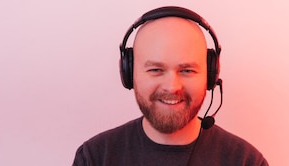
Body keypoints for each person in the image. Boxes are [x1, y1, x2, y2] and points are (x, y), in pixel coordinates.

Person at [73, 6, 268, 166]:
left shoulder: (246, 161)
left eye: (187, 71)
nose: (172, 87)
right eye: (156, 70)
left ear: (210, 75)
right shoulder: (94, 157)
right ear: (129, 74)